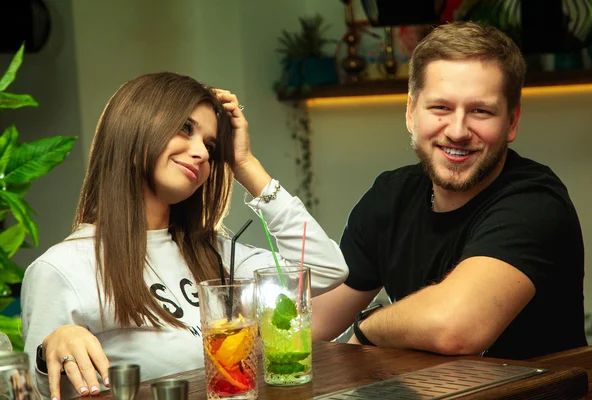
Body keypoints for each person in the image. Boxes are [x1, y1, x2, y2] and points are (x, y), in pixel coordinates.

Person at [21, 72, 349, 400]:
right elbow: (42, 391)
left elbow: (326, 269)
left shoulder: (214, 253)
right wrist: (53, 344)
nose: (203, 154)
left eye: (211, 146)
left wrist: (246, 164)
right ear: (134, 129)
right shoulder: (61, 270)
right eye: (185, 128)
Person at [313, 21, 587, 360]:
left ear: (511, 122)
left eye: (480, 111)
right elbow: (310, 322)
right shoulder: (390, 197)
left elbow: (454, 327)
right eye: (441, 108)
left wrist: (367, 327)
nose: (458, 131)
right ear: (412, 114)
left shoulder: (535, 202)